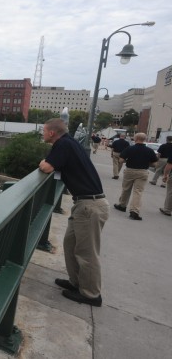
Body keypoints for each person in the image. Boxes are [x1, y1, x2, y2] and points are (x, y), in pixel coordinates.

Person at [39, 118, 108, 307]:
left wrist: (42, 162)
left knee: (87, 253)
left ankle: (91, 294)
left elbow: (46, 167)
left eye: (44, 131)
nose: (42, 134)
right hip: (84, 204)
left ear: (52, 133)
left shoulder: (63, 145)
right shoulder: (69, 143)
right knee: (70, 244)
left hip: (90, 206)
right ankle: (76, 282)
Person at [113, 132, 158, 220]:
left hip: (130, 171)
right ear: (144, 139)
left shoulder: (129, 148)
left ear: (135, 138)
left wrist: (128, 160)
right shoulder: (149, 150)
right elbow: (155, 164)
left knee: (126, 189)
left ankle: (122, 205)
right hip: (142, 172)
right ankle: (134, 211)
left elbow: (121, 160)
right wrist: (147, 163)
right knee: (138, 191)